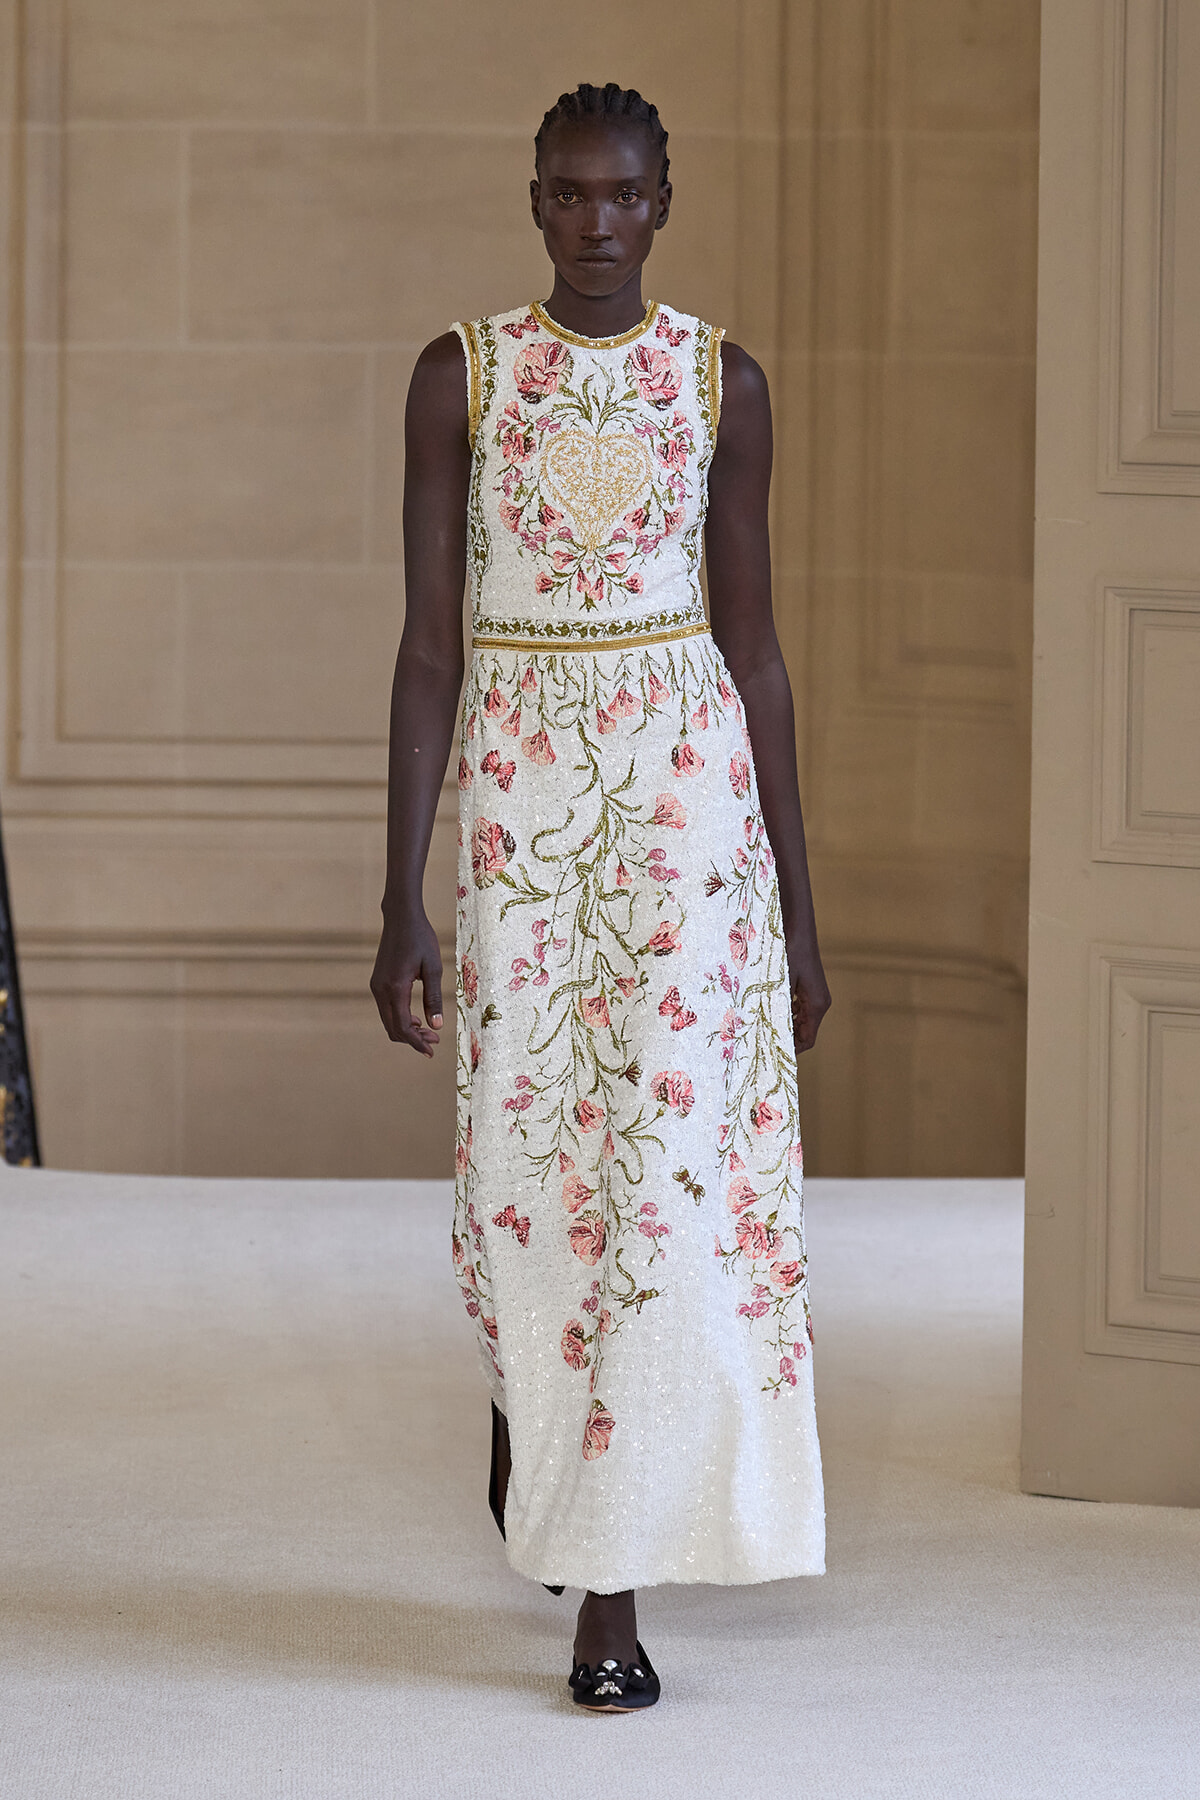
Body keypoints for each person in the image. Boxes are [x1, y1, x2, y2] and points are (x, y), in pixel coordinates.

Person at [372, 82, 831, 1713]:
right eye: (568, 194)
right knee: (527, 1171)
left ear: (662, 204)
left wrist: (799, 911)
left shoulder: (723, 383)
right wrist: (400, 896)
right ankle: (533, 1395)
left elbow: (755, 655)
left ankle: (611, 1599)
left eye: (623, 195)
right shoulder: (462, 378)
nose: (596, 224)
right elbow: (430, 649)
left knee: (655, 1189)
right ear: (534, 203)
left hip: (688, 827)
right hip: (524, 824)